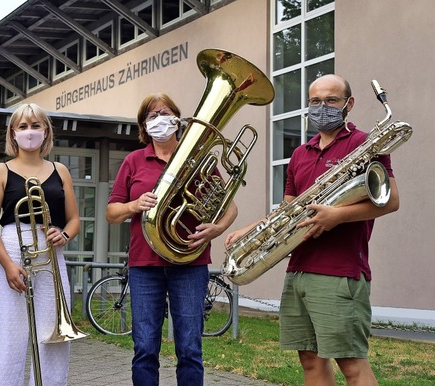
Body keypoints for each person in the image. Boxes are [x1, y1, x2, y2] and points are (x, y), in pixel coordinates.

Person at [225, 74, 400, 386]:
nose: (322, 107)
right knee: (309, 360)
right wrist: (251, 228)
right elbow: (288, 208)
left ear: (349, 104)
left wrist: (336, 216)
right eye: (315, 101)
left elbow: (390, 201)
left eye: (331, 100)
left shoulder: (363, 143)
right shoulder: (300, 153)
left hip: (340, 270)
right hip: (299, 268)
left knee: (351, 363)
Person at [106, 93, 238, 386]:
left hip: (190, 262)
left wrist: (217, 228)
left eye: (164, 113)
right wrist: (133, 205)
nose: (159, 120)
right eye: (152, 116)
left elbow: (230, 207)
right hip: (144, 265)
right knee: (144, 348)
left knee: (190, 348)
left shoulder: (198, 158)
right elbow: (112, 213)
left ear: (178, 118)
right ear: (143, 125)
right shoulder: (133, 161)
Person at [0, 103, 80, 385]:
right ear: (13, 133)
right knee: (8, 339)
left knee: (54, 338)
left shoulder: (60, 170)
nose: (29, 132)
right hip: (12, 249)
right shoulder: (0, 171)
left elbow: (73, 220)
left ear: (46, 131)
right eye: (23, 126)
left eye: (36, 126)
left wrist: (65, 236)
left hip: (51, 252)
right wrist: (8, 266)